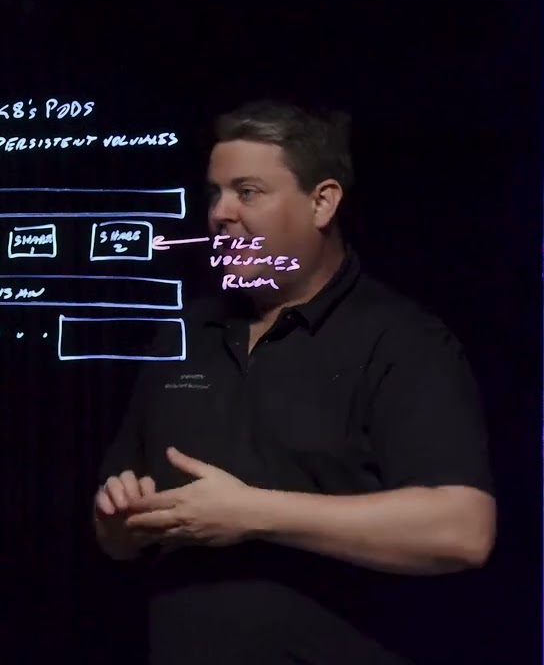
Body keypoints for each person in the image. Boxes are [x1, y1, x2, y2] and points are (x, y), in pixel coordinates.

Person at [92, 100, 496, 664]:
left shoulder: (401, 340)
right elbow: (116, 538)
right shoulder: (185, 334)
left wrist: (254, 514)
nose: (221, 214)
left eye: (248, 191)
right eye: (215, 194)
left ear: (322, 201)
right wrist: (121, 521)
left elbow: (462, 531)